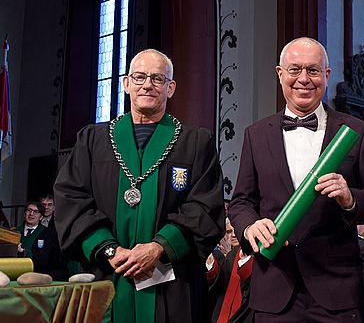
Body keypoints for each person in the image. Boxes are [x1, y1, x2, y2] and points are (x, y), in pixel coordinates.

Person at [54, 49, 225, 323]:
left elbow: (206, 207)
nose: (148, 84)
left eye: (158, 79)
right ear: (126, 84)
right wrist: (111, 250)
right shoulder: (92, 141)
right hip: (106, 277)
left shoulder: (195, 143)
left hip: (171, 285)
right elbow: (71, 200)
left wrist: (159, 247)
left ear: (171, 88)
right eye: (139, 77)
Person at [229, 37, 364, 322]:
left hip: (337, 291)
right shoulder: (256, 134)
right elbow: (241, 201)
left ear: (326, 75)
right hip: (274, 287)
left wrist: (350, 199)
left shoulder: (356, 131)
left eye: (313, 70)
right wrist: (250, 226)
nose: (304, 79)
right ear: (280, 74)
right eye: (295, 69)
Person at [206, 218, 253, 323]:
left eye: (236, 230)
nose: (233, 235)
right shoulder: (231, 256)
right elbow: (218, 284)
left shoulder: (256, 253)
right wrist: (211, 265)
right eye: (229, 232)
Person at [17, 202, 68, 280]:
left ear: (41, 217)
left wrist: (25, 253)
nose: (31, 214)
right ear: (24, 214)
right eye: (29, 210)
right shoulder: (14, 232)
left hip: (38, 275)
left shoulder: (49, 234)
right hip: (15, 272)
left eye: (36, 212)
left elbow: (47, 258)